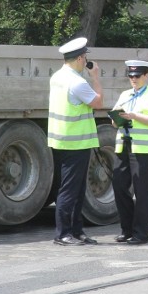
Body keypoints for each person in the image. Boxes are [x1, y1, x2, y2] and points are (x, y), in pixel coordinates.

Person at [48, 37, 103, 246]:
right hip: (75, 143)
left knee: (77, 190)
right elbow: (98, 102)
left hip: (61, 141)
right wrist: (95, 77)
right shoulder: (77, 82)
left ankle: (77, 231)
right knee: (71, 190)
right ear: (80, 58)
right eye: (85, 58)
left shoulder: (57, 77)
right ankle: (63, 234)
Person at [110, 59, 148, 245]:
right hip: (124, 146)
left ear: (146, 75)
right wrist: (117, 118)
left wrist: (134, 116)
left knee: (142, 192)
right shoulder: (125, 95)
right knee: (119, 186)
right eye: (130, 76)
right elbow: (114, 121)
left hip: (144, 149)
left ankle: (140, 234)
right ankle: (126, 230)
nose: (133, 79)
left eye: (137, 76)